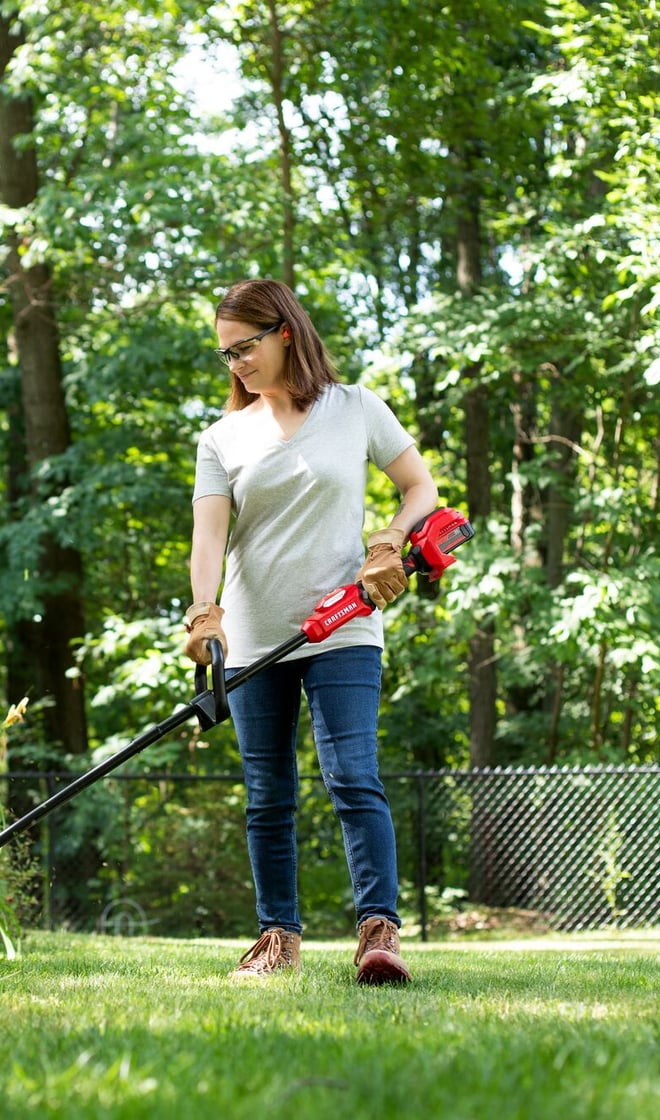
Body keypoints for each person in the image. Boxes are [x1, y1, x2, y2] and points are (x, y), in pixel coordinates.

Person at [184, 279, 438, 985]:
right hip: (257, 638)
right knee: (267, 793)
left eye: (246, 347)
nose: (235, 364)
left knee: (353, 777)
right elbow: (210, 537)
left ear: (285, 332)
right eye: (225, 354)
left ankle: (378, 933)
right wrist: (206, 611)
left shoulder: (354, 408)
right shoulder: (222, 436)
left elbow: (421, 488)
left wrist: (389, 539)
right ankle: (277, 939)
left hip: (343, 625)